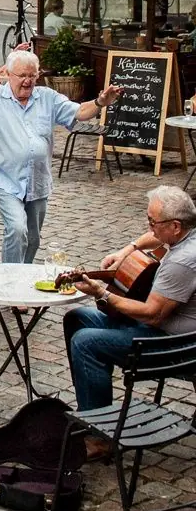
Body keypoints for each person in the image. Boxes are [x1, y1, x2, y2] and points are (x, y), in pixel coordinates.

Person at [0, 51, 122, 265]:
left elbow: (80, 112)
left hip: (37, 180)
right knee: (16, 229)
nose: (27, 81)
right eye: (22, 75)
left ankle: (23, 278)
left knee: (33, 239)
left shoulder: (47, 97)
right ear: (9, 74)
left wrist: (100, 102)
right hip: (4, 178)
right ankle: (9, 281)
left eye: (32, 76)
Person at [64, 188, 196, 442]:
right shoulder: (185, 236)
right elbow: (153, 238)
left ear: (176, 226)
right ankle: (92, 407)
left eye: (153, 222)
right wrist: (127, 250)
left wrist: (101, 293)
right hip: (165, 330)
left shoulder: (182, 262)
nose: (150, 227)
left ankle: (98, 438)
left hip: (175, 346)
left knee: (86, 341)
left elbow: (152, 314)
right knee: (77, 317)